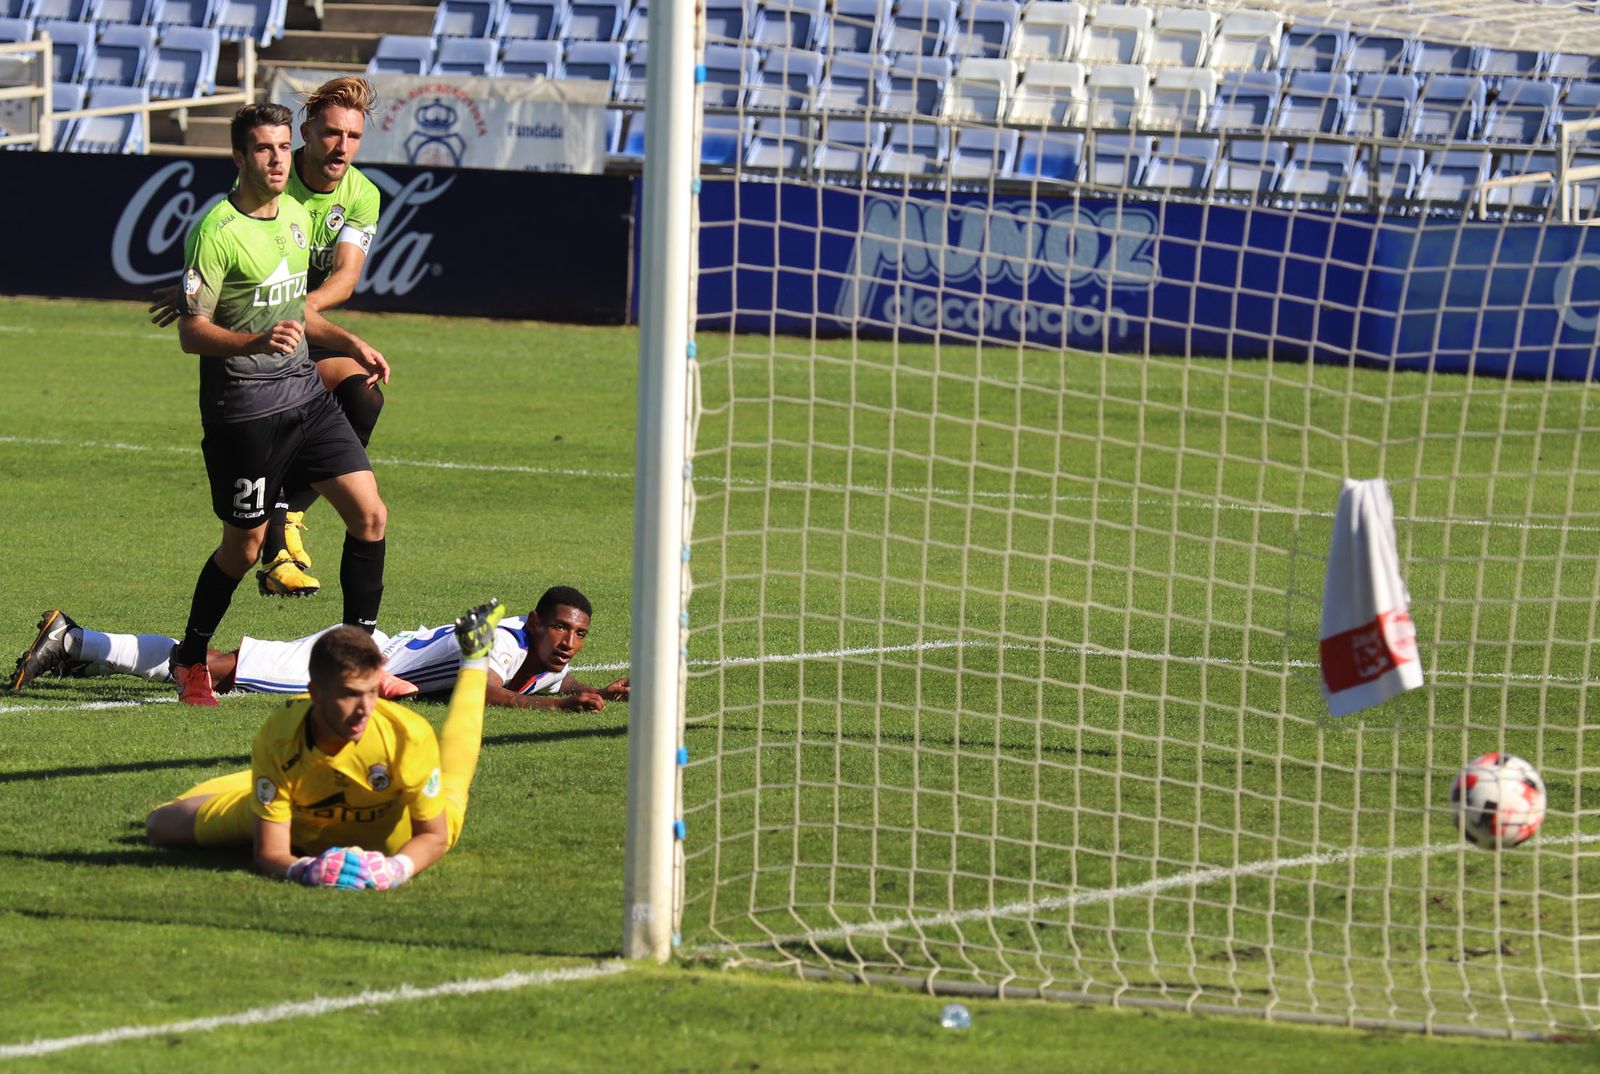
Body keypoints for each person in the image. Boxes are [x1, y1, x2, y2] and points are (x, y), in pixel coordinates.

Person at [169, 101, 391, 707]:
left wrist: (351, 343)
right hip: (245, 413)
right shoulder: (216, 231)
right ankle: (190, 657)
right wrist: (252, 340)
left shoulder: (295, 216)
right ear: (240, 156)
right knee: (242, 549)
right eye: (263, 148)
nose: (276, 159)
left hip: (305, 397)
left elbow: (297, 309)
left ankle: (360, 658)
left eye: (282, 147)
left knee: (370, 515)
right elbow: (192, 332)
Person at [143, 601, 505, 889]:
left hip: (397, 836)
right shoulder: (282, 733)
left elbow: (434, 837)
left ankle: (474, 657)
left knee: (452, 791)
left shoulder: (405, 735)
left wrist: (397, 868)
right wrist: (303, 869)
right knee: (160, 826)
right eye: (349, 695)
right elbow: (270, 852)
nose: (364, 708)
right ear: (314, 692)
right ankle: (265, 789)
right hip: (302, 823)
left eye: (371, 693)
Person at [9, 587, 629, 713]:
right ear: (535, 621)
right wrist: (559, 709)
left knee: (216, 666)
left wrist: (593, 689)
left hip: (371, 656)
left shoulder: (540, 653)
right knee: (214, 670)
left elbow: (547, 680)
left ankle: (81, 648)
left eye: (579, 636)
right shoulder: (505, 640)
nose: (569, 644)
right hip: (354, 661)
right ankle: (73, 639)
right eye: (562, 630)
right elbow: (485, 690)